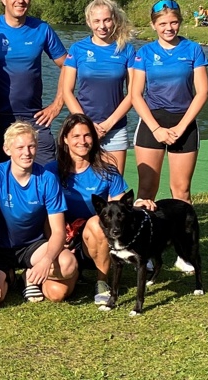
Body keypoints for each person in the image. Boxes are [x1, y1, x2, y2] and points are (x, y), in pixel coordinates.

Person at [131, 0, 208, 273]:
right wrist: (156, 128)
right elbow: (135, 95)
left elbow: (202, 92)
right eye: (163, 23)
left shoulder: (193, 49)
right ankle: (145, 251)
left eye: (173, 22)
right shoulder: (144, 52)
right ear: (154, 25)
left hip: (184, 124)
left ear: (180, 23)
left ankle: (184, 253)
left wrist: (181, 126)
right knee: (146, 191)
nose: (169, 27)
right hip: (152, 124)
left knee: (181, 191)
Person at [44, 114, 155, 305]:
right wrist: (56, 242)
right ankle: (49, 273)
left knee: (96, 223)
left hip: (95, 240)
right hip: (62, 239)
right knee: (56, 294)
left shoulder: (107, 171)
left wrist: (138, 204)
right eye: (76, 136)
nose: (82, 141)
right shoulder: (51, 171)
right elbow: (44, 213)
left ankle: (102, 281)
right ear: (65, 139)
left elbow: (119, 207)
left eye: (87, 135)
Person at [0, 121, 77, 309]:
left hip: (34, 247)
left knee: (68, 264)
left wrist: (46, 261)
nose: (27, 153)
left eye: (31, 146)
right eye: (20, 147)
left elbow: (58, 231)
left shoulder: (47, 179)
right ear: (7, 150)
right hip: (0, 247)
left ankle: (28, 276)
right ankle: (8, 276)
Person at [0, 0, 68, 166]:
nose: (20, 0)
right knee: (0, 176)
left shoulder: (42, 29)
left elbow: (68, 66)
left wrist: (57, 104)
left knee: (49, 171)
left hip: (34, 117)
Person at [61, 0, 136, 174]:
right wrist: (86, 123)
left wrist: (108, 124)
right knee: (78, 182)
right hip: (82, 129)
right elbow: (67, 91)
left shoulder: (126, 49)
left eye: (107, 20)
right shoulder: (78, 49)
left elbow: (133, 93)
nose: (102, 26)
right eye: (97, 21)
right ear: (89, 22)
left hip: (115, 128)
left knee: (113, 184)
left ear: (114, 20)